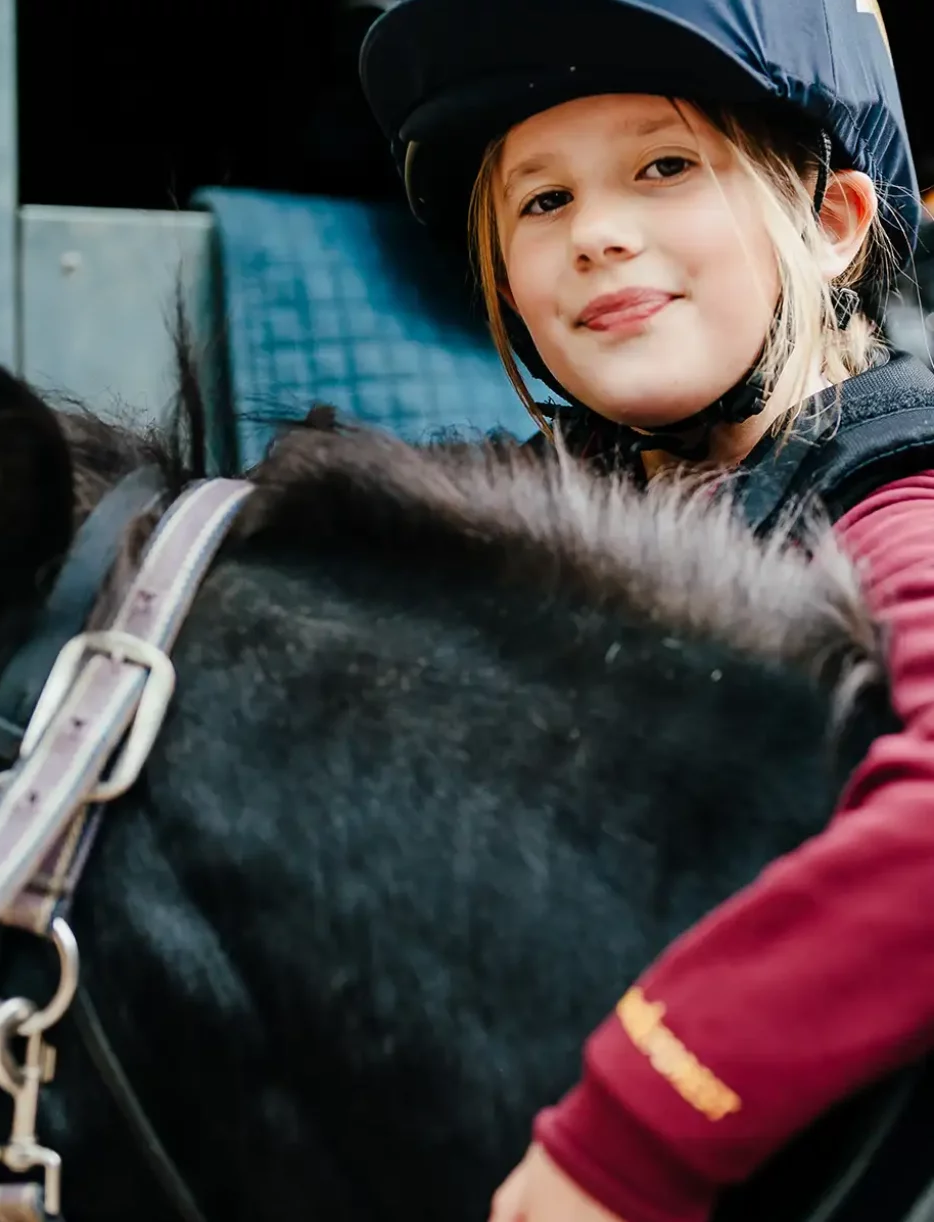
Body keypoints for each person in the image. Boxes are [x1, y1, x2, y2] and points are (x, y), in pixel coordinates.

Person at [358, 3, 934, 1220]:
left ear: (832, 226)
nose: (597, 235)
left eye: (663, 166)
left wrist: (629, 1134)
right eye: (541, 200)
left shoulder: (896, 506)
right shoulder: (544, 513)